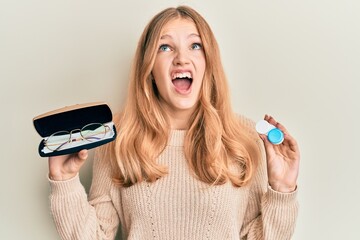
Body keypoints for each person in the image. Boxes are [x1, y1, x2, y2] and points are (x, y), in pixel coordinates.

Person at [48, 5, 300, 240]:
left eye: (195, 45)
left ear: (208, 63)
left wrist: (283, 189)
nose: (182, 58)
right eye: (165, 47)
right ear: (149, 68)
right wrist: (64, 182)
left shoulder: (242, 138)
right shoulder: (119, 140)